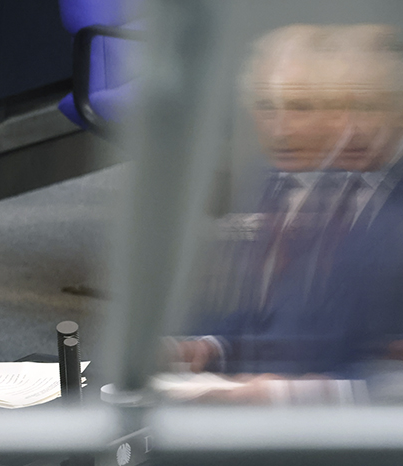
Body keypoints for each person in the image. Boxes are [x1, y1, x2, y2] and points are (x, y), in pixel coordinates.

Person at [172, 23, 403, 403]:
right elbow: (280, 323)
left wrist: (289, 393)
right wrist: (211, 348)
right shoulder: (290, 183)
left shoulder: (373, 204)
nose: (353, 128)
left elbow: (374, 363)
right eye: (342, 107)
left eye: (370, 106)